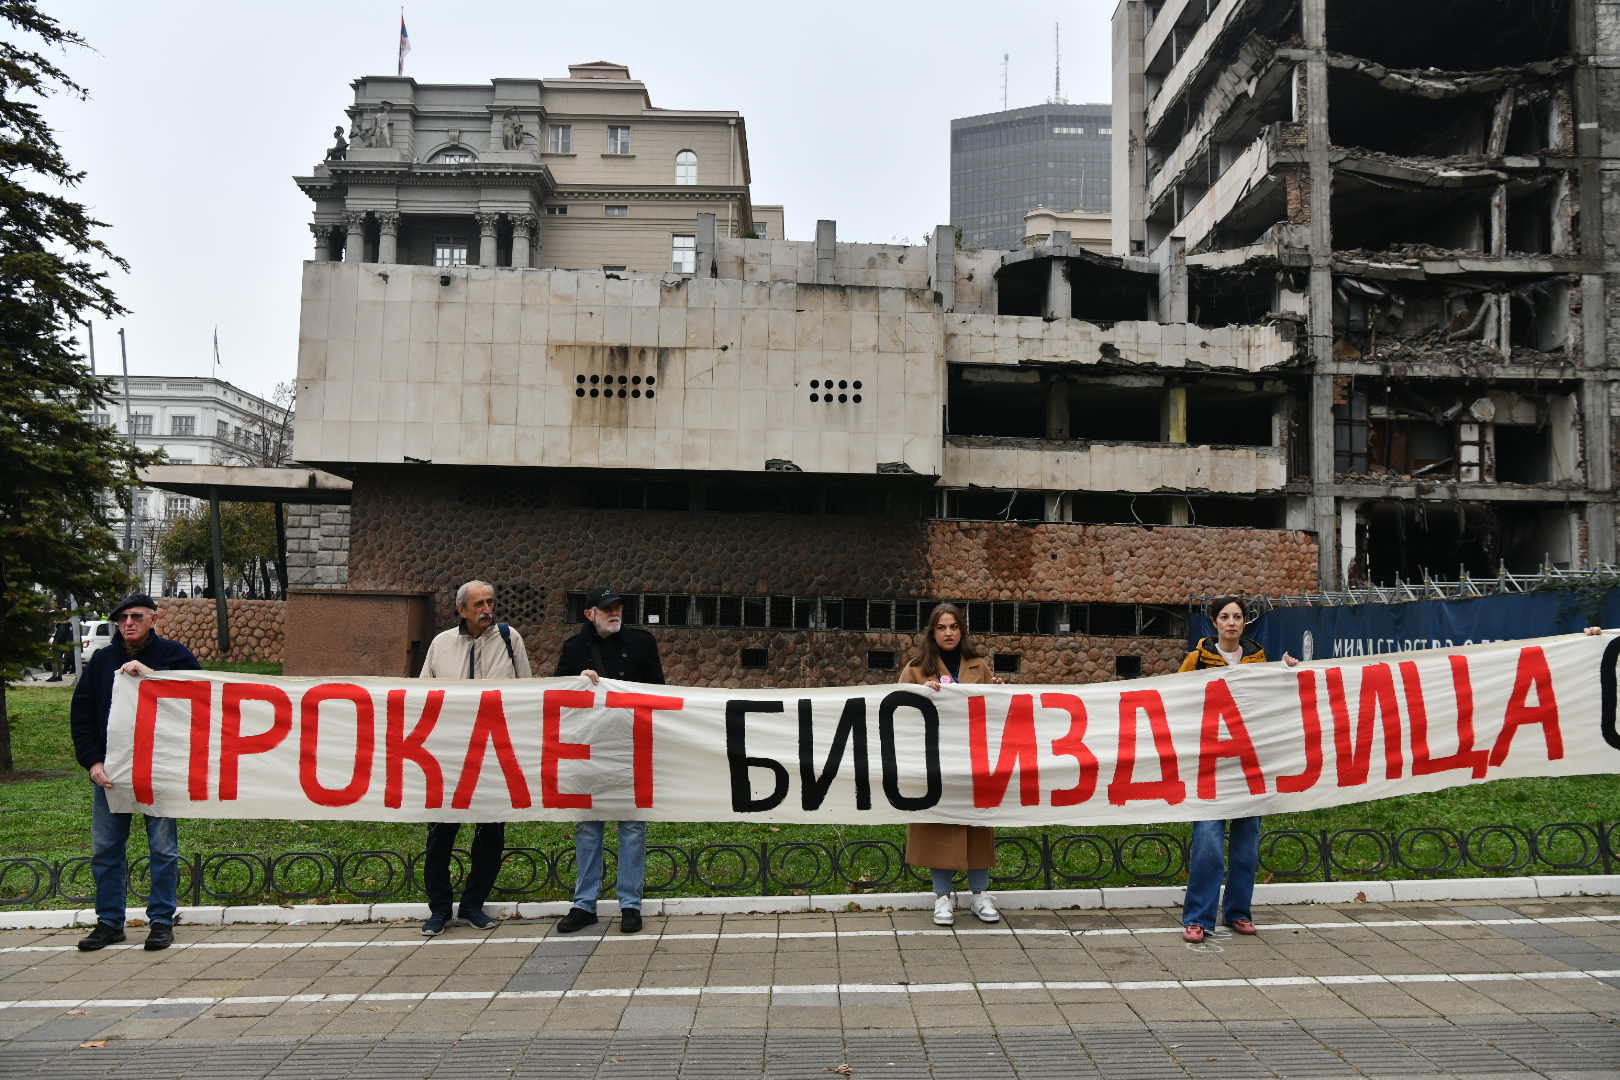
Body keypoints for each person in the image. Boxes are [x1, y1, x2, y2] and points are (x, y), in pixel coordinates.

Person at [69, 594, 200, 952]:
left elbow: (200, 698)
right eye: (122, 617)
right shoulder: (102, 661)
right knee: (107, 848)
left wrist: (151, 676)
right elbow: (82, 716)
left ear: (153, 618)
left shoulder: (174, 655)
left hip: (159, 768)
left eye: (136, 616)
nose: (128, 622)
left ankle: (161, 920)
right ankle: (110, 922)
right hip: (111, 772)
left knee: (163, 849)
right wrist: (93, 763)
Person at [1178, 596, 1296, 944]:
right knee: (1208, 845)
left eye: (1238, 616)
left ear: (1245, 623)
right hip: (1211, 765)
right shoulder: (1196, 660)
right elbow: (1177, 701)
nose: (1232, 622)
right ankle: (1198, 917)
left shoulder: (1261, 660)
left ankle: (1238, 913)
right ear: (1214, 622)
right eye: (1225, 616)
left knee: (1246, 847)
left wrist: (1288, 671)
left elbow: (1275, 699)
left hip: (1250, 765)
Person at [417, 580, 532, 936]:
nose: (487, 609)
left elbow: (528, 690)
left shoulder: (510, 640)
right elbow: (422, 695)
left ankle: (473, 905)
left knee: (491, 833)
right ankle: (439, 910)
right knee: (441, 834)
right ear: (461, 610)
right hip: (450, 757)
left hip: (495, 755)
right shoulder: (441, 645)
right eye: (479, 604)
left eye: (490, 602)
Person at [553, 585, 664, 934]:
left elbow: (657, 691)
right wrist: (578, 683)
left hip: (631, 746)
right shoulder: (574, 649)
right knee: (589, 827)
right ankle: (584, 904)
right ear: (590, 614)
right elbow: (557, 697)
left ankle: (630, 904)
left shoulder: (642, 642)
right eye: (606, 608)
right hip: (588, 749)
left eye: (617, 607)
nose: (614, 612)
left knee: (631, 827)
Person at [900, 602, 1002, 927]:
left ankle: (979, 894)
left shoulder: (978, 666)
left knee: (977, 827)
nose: (948, 633)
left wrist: (999, 692)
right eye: (942, 627)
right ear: (932, 632)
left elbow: (994, 714)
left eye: (954, 627)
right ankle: (941, 897)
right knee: (938, 827)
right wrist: (919, 694)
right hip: (935, 764)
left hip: (973, 763)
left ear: (962, 631)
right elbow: (897, 712)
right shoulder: (916, 669)